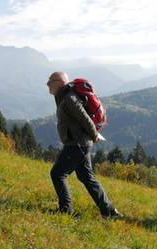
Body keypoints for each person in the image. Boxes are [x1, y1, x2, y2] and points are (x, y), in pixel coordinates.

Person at [47, 71, 121, 219]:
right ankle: (109, 211)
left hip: (77, 144)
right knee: (86, 177)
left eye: (50, 81)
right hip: (79, 143)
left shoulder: (69, 98)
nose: (47, 84)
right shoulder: (64, 96)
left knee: (57, 174)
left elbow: (84, 118)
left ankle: (66, 210)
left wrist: (94, 135)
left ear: (59, 82)